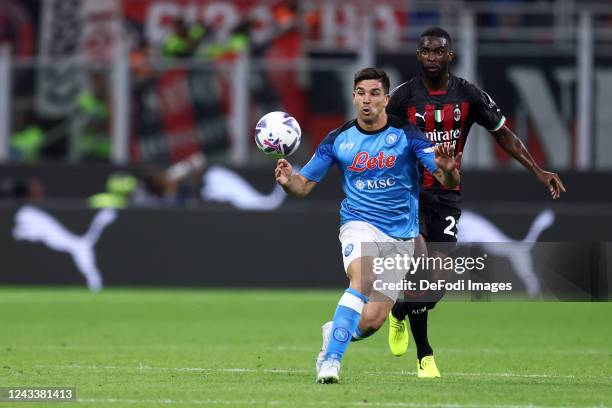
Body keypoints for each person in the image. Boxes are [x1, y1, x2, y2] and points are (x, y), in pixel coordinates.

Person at [385, 27, 566, 377]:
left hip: (448, 195)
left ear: (450, 55)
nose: (432, 57)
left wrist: (538, 170)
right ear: (418, 56)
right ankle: (425, 356)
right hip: (411, 195)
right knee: (419, 268)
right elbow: (376, 136)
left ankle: (399, 311)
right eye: (426, 52)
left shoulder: (468, 94)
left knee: (435, 285)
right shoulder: (402, 97)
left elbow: (504, 134)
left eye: (439, 51)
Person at [274, 67, 461, 383]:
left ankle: (335, 332)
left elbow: (446, 178)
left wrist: (448, 169)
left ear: (386, 99)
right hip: (359, 224)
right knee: (362, 278)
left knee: (373, 321)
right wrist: (286, 181)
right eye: (361, 93)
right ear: (353, 97)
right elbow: (303, 185)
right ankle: (331, 362)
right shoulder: (338, 139)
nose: (367, 100)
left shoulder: (408, 135)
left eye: (374, 93)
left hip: (401, 235)